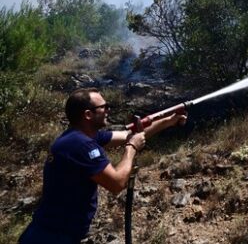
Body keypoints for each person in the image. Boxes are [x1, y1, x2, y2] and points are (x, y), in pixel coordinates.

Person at [19, 87, 187, 243]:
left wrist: (168, 121)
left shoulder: (81, 136)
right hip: (53, 237)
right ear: (88, 115)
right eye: (104, 107)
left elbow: (129, 135)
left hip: (53, 232)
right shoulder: (81, 145)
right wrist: (132, 148)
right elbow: (117, 183)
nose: (108, 109)